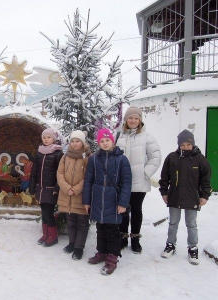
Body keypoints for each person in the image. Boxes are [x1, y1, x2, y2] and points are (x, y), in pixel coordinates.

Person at [159, 129, 212, 265]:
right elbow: (164, 177)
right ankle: (171, 245)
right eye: (182, 145)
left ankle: (193, 248)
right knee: (173, 223)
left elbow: (206, 180)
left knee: (191, 224)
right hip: (175, 196)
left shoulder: (200, 159)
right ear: (178, 145)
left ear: (192, 144)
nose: (185, 147)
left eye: (188, 144)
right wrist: (164, 192)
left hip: (192, 197)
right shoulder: (172, 157)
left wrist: (204, 196)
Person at [83, 128, 132, 275]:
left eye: (107, 140)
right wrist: (87, 201)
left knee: (112, 230)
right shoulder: (94, 159)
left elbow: (127, 182)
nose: (105, 143)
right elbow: (88, 181)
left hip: (114, 198)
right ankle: (102, 252)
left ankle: (112, 258)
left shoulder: (122, 159)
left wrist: (123, 203)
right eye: (102, 141)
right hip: (97, 197)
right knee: (100, 227)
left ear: (113, 141)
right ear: (98, 143)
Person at [115, 106, 161, 253]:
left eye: (136, 118)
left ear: (140, 120)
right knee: (122, 209)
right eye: (130, 118)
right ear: (126, 120)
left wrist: (145, 173)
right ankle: (123, 237)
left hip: (139, 181)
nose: (133, 120)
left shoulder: (147, 137)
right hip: (121, 182)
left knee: (136, 210)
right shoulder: (119, 136)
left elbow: (156, 157)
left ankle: (135, 238)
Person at [57, 130, 92, 260]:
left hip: (81, 195)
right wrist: (66, 188)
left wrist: (76, 189)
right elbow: (59, 173)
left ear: (82, 142)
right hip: (67, 195)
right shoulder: (65, 156)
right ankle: (72, 243)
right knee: (70, 221)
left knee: (82, 222)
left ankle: (79, 248)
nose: (75, 143)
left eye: (77, 141)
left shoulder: (87, 157)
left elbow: (89, 176)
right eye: (72, 141)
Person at [29, 128, 63, 247]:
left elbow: (61, 173)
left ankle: (53, 237)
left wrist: (57, 188)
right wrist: (32, 187)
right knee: (43, 211)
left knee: (48, 212)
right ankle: (46, 234)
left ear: (53, 139)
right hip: (40, 187)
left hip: (50, 188)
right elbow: (34, 171)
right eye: (44, 137)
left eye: (48, 137)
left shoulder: (58, 153)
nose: (46, 139)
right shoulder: (39, 152)